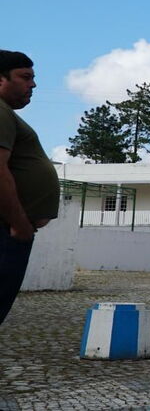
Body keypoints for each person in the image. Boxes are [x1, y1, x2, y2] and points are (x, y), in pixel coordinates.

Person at [0, 51, 59, 327]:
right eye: (25, 77)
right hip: (6, 231)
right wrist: (18, 222)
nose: (32, 85)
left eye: (33, 78)